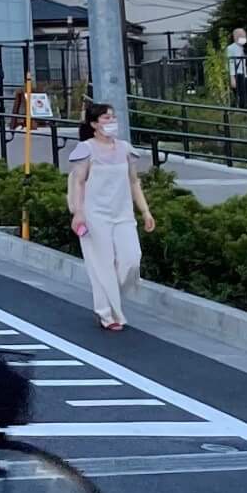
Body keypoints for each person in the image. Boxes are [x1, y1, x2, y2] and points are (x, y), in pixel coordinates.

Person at [68, 101, 155, 331]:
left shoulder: (125, 149)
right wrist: (78, 212)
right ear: (94, 124)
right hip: (95, 215)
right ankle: (108, 314)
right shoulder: (86, 149)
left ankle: (111, 297)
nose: (111, 122)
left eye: (112, 117)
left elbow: (134, 181)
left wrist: (145, 211)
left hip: (123, 214)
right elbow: (78, 182)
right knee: (102, 264)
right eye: (106, 118)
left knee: (131, 259)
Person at [227, 27, 247, 109]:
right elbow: (230, 63)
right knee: (240, 93)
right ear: (235, 36)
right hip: (237, 73)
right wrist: (232, 78)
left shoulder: (241, 47)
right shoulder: (231, 48)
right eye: (241, 35)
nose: (244, 37)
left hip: (244, 72)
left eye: (244, 35)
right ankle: (241, 108)